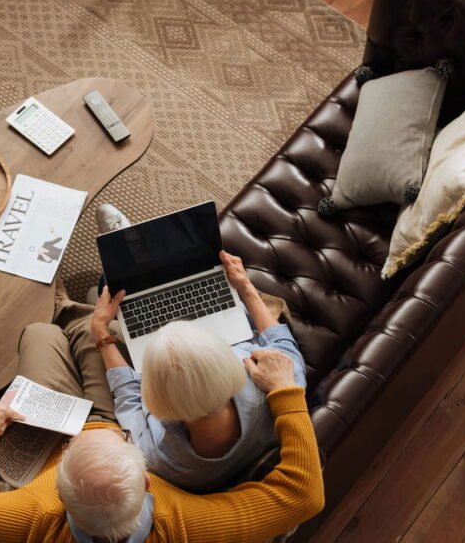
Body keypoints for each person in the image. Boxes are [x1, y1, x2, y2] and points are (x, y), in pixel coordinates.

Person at [0, 346, 324, 542]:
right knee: (90, 338)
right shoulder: (188, 525)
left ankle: (71, 318)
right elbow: (304, 495)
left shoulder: (34, 514)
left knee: (40, 336)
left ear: (58, 489)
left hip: (70, 424)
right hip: (104, 416)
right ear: (148, 482)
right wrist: (286, 392)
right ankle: (78, 317)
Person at [91, 205, 308, 492]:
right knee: (201, 266)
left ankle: (126, 247)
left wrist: (100, 331)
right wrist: (244, 287)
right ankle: (131, 252)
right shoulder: (280, 387)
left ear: (155, 400)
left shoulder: (156, 456)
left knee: (111, 289)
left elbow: (129, 397)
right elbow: (280, 341)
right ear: (230, 363)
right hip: (229, 334)